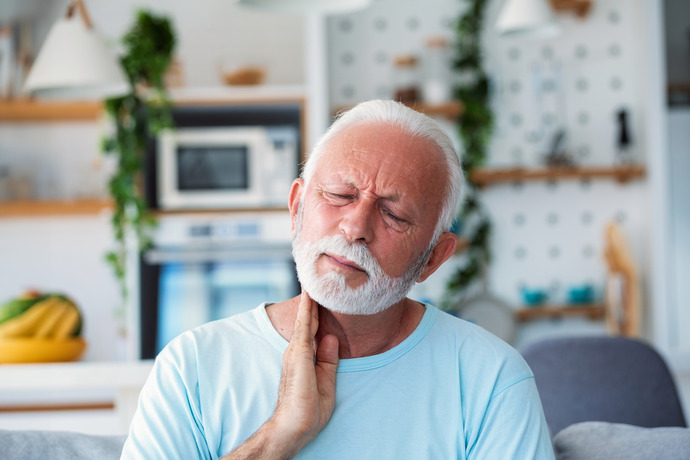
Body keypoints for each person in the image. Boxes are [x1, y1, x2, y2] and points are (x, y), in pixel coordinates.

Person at [121, 99, 555, 459]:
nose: (355, 227)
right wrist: (280, 434)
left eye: (394, 214)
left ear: (433, 258)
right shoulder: (192, 366)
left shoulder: (491, 379)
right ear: (297, 209)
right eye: (340, 195)